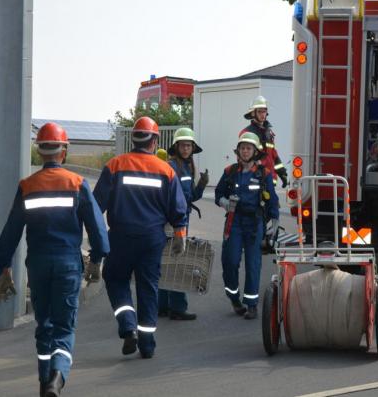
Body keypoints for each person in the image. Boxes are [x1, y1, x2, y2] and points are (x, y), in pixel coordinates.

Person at [0, 122, 109, 397]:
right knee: (64, 327)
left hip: (39, 265)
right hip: (67, 264)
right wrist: (97, 260)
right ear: (64, 151)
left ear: (40, 152)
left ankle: (45, 383)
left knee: (44, 325)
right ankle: (56, 378)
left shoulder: (27, 186)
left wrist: (2, 268)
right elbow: (97, 229)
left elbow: (11, 231)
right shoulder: (77, 183)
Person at [93, 116, 188, 359]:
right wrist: (180, 235)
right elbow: (177, 208)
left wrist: (95, 244)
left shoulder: (115, 165)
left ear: (134, 138)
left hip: (120, 237)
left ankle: (127, 326)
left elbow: (96, 207)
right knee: (148, 287)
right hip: (151, 239)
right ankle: (147, 343)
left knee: (115, 280)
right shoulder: (165, 170)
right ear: (154, 141)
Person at [215, 132, 279, 319]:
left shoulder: (263, 174)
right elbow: (218, 194)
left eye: (248, 148)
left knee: (253, 264)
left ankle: (251, 304)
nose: (245, 151)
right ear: (238, 151)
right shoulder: (229, 172)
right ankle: (234, 298)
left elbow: (272, 201)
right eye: (242, 148)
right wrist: (225, 203)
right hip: (233, 222)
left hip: (254, 223)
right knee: (230, 261)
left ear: (255, 152)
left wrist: (274, 223)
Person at [157, 127, 208, 320]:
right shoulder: (170, 166)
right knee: (177, 262)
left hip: (179, 221)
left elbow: (190, 197)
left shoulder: (187, 167)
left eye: (189, 145)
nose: (186, 149)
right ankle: (177, 308)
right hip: (172, 223)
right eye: (183, 145)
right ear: (176, 146)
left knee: (167, 262)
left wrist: (201, 184)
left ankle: (161, 307)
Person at [239, 95, 288, 188]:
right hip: (255, 181)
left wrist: (282, 173)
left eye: (264, 111)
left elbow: (274, 155)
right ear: (253, 113)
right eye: (260, 111)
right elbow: (242, 158)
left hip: (270, 181)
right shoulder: (247, 133)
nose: (263, 114)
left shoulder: (269, 133)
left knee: (274, 203)